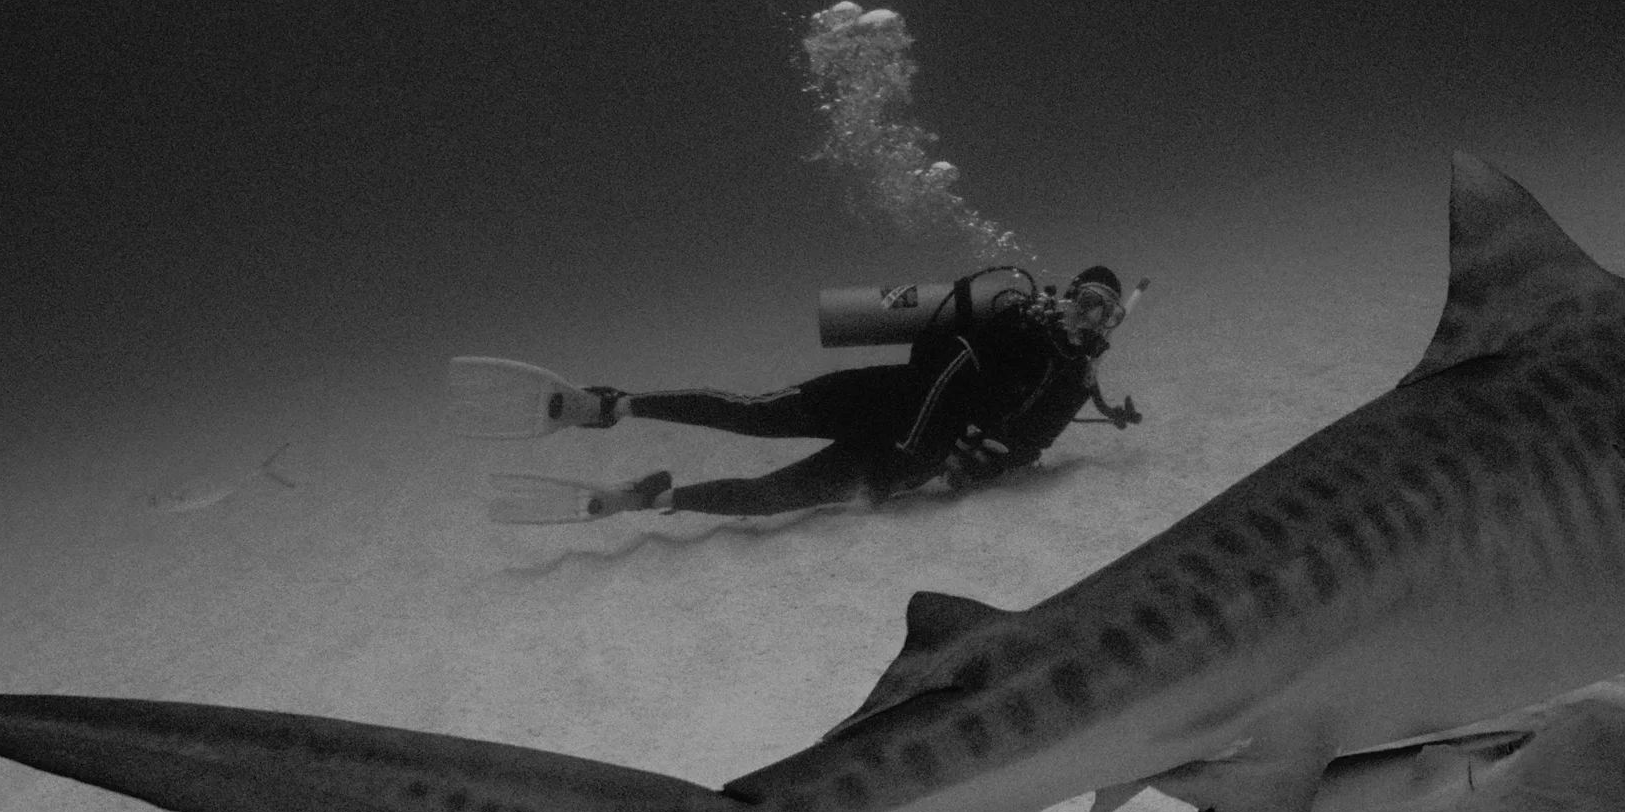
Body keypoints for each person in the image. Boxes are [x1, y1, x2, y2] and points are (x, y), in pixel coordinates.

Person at [460, 267, 1142, 524]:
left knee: (772, 499)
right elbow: (943, 366)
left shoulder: (1074, 380)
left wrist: (983, 465)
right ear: (1065, 296)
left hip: (903, 461)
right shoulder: (1014, 318)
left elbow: (1031, 444)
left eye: (1105, 313)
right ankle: (611, 405)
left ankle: (645, 499)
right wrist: (925, 450)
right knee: (753, 414)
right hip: (879, 399)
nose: (1091, 319)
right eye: (1086, 301)